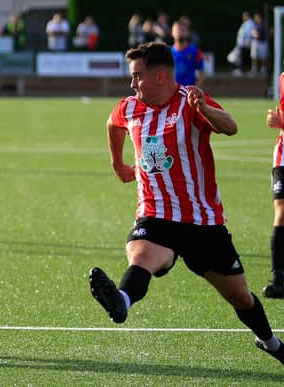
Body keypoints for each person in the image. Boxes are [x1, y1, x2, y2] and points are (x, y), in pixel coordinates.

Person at [89, 42, 284, 365]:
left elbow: (231, 127)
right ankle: (122, 300)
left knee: (241, 297)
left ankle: (271, 342)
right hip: (156, 215)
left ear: (161, 76)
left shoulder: (189, 102)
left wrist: (205, 109)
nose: (132, 84)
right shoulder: (129, 107)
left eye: (138, 77)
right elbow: (113, 124)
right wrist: (117, 164)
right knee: (142, 257)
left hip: (203, 222)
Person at [263, 73, 284, 298]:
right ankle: (279, 278)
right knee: (281, 210)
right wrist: (276, 120)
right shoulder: (283, 78)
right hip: (283, 156)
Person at [170, 20, 205, 86]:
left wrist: (195, 88)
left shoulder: (195, 51)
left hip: (188, 93)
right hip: (172, 92)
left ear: (187, 33)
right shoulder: (167, 52)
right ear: (172, 33)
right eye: (177, 30)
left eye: (182, 30)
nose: (179, 32)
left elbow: (202, 73)